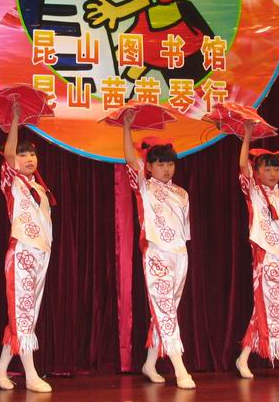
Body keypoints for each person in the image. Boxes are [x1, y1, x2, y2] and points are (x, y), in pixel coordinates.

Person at [121, 110, 195, 389]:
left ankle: (150, 363)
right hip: (156, 253)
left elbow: (185, 231)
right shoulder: (144, 186)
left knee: (166, 310)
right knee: (165, 310)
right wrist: (127, 128)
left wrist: (181, 254)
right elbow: (130, 159)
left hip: (179, 255)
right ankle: (180, 368)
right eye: (160, 164)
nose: (166, 168)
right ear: (149, 167)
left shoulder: (182, 193)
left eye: (170, 164)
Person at [0, 103, 55, 393]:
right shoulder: (12, 182)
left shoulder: (39, 187)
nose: (29, 159)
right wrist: (16, 118)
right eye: (23, 154)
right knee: (23, 313)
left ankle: (0, 370)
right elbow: (7, 154)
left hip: (41, 253)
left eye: (32, 154)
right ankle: (31, 375)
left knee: (23, 314)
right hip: (22, 253)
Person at [236, 121, 279, 382]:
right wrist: (247, 136)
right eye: (267, 168)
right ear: (257, 171)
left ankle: (243, 357)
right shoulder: (254, 191)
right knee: (274, 309)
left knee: (266, 309)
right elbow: (243, 165)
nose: (273, 173)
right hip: (266, 256)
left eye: (276, 168)